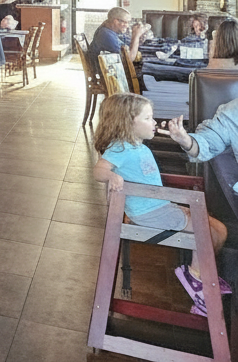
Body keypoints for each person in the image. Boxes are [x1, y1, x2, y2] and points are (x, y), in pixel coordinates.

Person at [95, 94, 229, 313]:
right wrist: (111, 176)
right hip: (148, 213)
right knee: (207, 231)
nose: (154, 122)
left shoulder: (138, 147)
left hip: (159, 207)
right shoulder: (120, 148)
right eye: (148, 118)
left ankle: (202, 278)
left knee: (220, 230)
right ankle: (195, 279)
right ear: (128, 123)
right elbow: (99, 170)